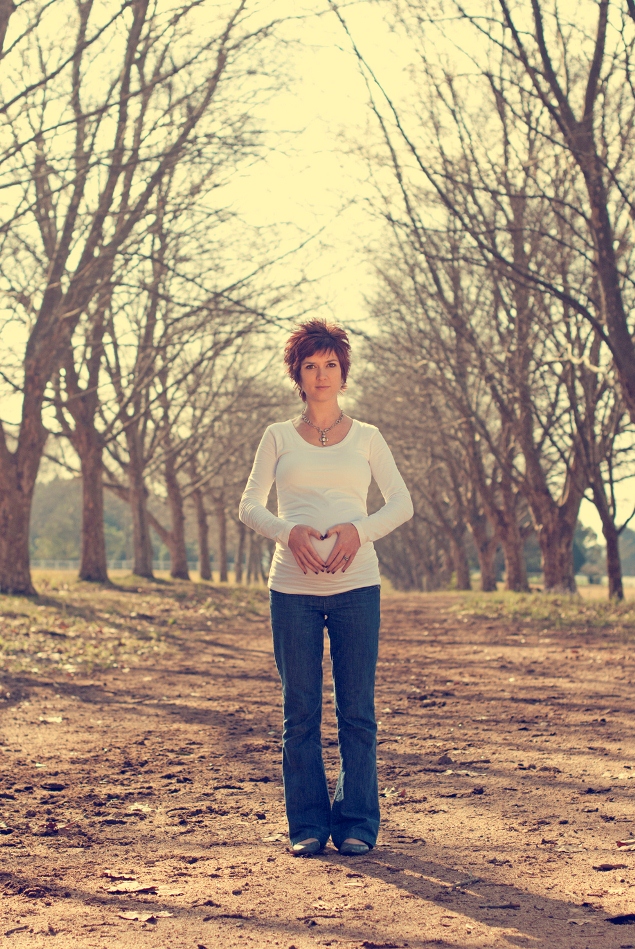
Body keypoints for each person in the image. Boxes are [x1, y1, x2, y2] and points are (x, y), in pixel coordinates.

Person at [239, 319, 413, 857]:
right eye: (311, 365)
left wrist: (357, 532)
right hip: (290, 591)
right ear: (297, 374)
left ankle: (358, 821)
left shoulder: (368, 438)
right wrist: (286, 532)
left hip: (357, 588)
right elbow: (248, 507)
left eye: (330, 364)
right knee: (300, 712)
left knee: (357, 710)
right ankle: (308, 825)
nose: (321, 374)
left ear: (343, 372)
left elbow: (402, 504)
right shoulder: (277, 436)